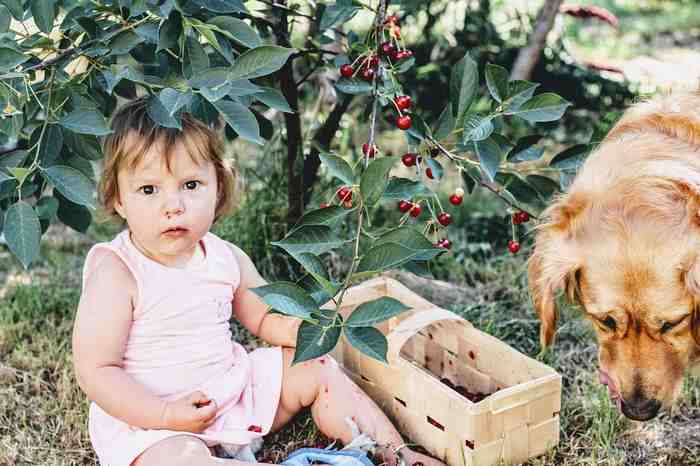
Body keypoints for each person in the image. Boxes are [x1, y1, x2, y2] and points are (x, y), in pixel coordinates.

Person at [71, 97, 446, 466]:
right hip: (151, 422)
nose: (174, 205)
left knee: (316, 367)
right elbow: (97, 371)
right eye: (149, 190)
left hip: (228, 392)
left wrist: (305, 328)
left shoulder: (224, 257)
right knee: (178, 460)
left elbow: (265, 317)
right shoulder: (118, 271)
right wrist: (165, 414)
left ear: (218, 187)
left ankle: (395, 453)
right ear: (118, 199)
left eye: (190, 185)